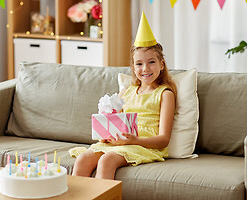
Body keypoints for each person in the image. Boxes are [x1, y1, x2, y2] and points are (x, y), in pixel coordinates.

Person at [69, 12, 176, 180]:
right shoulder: (127, 91)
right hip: (122, 142)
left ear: (162, 64)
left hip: (143, 145)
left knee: (107, 160)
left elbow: (163, 140)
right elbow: (114, 122)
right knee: (83, 158)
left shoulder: (164, 94)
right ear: (133, 67)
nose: (145, 69)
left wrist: (135, 141)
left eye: (151, 62)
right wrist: (107, 135)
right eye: (139, 64)